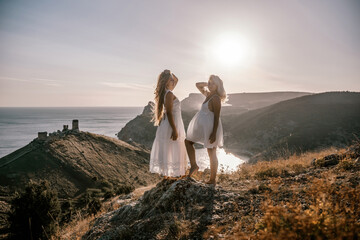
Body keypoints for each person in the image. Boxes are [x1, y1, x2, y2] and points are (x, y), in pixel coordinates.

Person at [185, 75, 226, 185]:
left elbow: (217, 117)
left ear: (218, 85)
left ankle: (212, 180)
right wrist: (207, 83)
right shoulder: (208, 94)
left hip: (211, 128)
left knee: (211, 151)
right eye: (210, 83)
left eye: (213, 83)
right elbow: (197, 85)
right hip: (203, 127)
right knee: (188, 142)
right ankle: (194, 165)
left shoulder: (216, 98)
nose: (211, 85)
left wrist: (213, 133)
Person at [149, 69, 187, 178]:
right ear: (166, 81)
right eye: (171, 80)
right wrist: (174, 130)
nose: (173, 82)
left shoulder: (165, 92)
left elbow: (177, 79)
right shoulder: (169, 93)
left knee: (168, 148)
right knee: (173, 147)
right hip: (172, 124)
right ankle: (173, 175)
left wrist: (168, 73)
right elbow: (170, 113)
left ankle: (168, 175)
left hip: (166, 124)